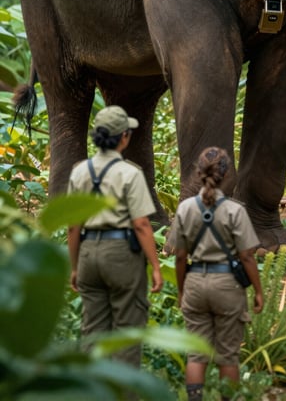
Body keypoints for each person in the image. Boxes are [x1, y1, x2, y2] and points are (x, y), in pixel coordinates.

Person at [67, 105, 163, 366]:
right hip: (121, 255)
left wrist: (74, 267)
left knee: (92, 332)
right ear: (124, 137)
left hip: (88, 253)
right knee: (127, 333)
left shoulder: (78, 172)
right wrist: (155, 266)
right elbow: (142, 224)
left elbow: (73, 226)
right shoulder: (130, 173)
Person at [169, 147, 264, 401]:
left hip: (195, 283)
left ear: (198, 173)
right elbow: (247, 256)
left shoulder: (186, 209)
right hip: (228, 286)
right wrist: (258, 291)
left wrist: (181, 290)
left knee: (196, 354)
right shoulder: (236, 211)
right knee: (227, 355)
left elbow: (179, 256)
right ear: (226, 175)